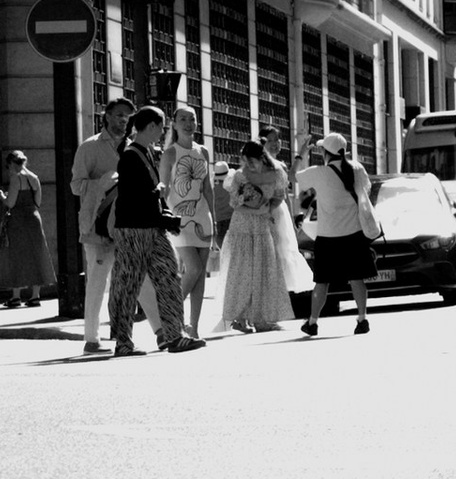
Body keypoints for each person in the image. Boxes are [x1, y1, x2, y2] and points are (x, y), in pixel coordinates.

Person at [107, 106, 199, 354]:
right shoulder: (130, 156)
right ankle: (123, 342)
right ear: (151, 127)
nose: (163, 132)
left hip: (152, 228)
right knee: (128, 285)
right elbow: (135, 198)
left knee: (169, 277)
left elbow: (150, 194)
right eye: (161, 127)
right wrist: (160, 204)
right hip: (134, 230)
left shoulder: (144, 151)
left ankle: (175, 335)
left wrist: (164, 214)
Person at [217, 139, 308, 334]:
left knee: (264, 270)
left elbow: (279, 196)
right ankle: (240, 318)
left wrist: (267, 209)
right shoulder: (240, 175)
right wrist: (254, 208)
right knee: (242, 271)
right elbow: (234, 203)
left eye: (251, 161)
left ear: (261, 158)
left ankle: (262, 318)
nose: (248, 165)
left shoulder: (276, 173)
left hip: (263, 224)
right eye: (245, 161)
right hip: (242, 225)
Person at [294, 130, 378, 339]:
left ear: (326, 152)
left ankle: (313, 322)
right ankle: (362, 319)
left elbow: (292, 175)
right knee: (357, 279)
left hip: (328, 236)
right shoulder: (357, 169)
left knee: (322, 282)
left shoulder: (319, 172)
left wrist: (301, 154)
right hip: (354, 234)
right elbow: (366, 190)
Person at [72, 95, 132, 359]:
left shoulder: (133, 147)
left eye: (127, 116)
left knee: (131, 281)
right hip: (97, 227)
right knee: (98, 282)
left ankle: (126, 334)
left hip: (127, 224)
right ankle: (91, 339)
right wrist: (105, 182)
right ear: (106, 116)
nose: (123, 120)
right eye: (119, 115)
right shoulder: (89, 147)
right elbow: (76, 186)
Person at [163, 106, 216, 327]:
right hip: (179, 220)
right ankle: (171, 317)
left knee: (200, 275)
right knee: (193, 269)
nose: (188, 123)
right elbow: (163, 189)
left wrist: (214, 219)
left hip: (203, 219)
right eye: (183, 119)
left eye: (192, 119)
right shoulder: (170, 153)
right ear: (174, 124)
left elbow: (208, 188)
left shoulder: (203, 151)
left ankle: (193, 327)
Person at [0, 146, 49, 306]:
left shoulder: (16, 178)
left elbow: (10, 203)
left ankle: (16, 297)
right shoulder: (34, 177)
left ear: (11, 164)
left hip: (18, 220)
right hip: (33, 218)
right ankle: (35, 296)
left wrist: (1, 196)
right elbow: (38, 202)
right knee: (36, 255)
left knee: (16, 256)